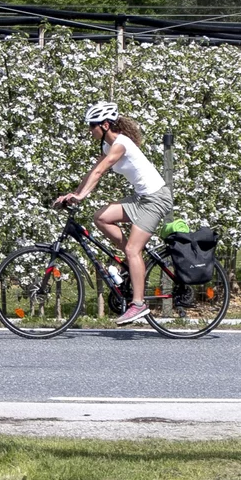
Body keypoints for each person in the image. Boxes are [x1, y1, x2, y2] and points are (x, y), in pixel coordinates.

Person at [54, 101, 174, 325]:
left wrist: (81, 197)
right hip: (141, 198)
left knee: (132, 248)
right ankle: (132, 262)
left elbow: (101, 171)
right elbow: (93, 171)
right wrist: (75, 193)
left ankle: (138, 304)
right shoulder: (107, 146)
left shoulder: (120, 143)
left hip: (156, 198)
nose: (90, 130)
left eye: (93, 126)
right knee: (101, 217)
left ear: (106, 125)